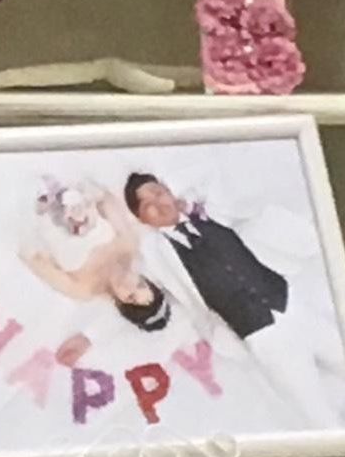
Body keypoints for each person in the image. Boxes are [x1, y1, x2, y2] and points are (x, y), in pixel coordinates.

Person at [123, 171, 345, 428]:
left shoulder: (209, 211)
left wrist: (194, 206)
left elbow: (242, 197)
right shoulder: (153, 256)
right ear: (141, 218)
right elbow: (150, 298)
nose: (159, 203)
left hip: (291, 305)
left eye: (159, 193)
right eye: (147, 205)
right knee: (316, 413)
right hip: (261, 336)